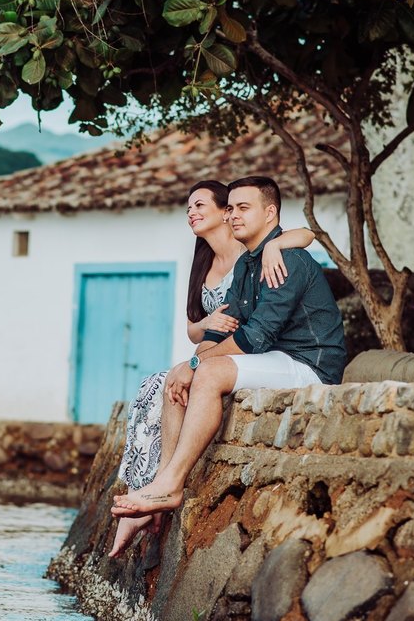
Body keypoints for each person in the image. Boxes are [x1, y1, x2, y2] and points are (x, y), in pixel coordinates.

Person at [112, 176, 345, 522]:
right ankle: (160, 481)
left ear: (270, 213)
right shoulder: (247, 264)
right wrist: (188, 363)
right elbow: (226, 327)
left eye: (243, 208)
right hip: (275, 359)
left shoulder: (288, 260)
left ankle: (172, 485)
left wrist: (196, 364)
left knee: (206, 373)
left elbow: (255, 337)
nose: (234, 215)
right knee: (178, 378)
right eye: (231, 208)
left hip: (309, 363)